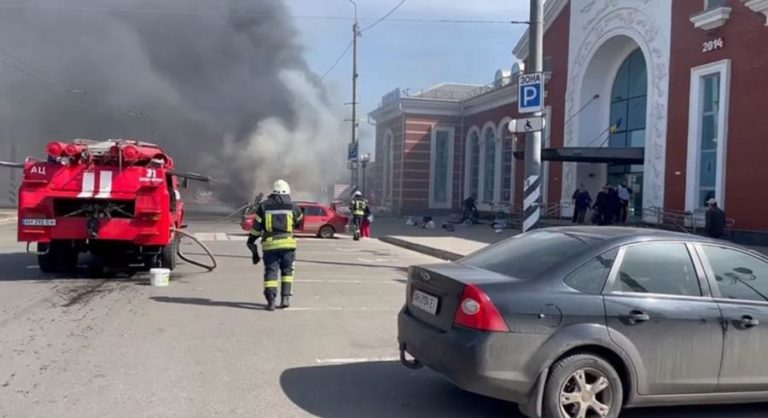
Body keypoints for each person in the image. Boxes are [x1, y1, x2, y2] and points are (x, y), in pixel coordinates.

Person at [246, 179, 303, 311]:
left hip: (270, 246)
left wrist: (251, 241)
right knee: (287, 272)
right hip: (288, 245)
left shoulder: (264, 206)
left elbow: (256, 228)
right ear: (287, 192)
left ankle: (271, 300)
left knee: (271, 272)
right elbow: (299, 222)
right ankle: (285, 299)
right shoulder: (293, 206)